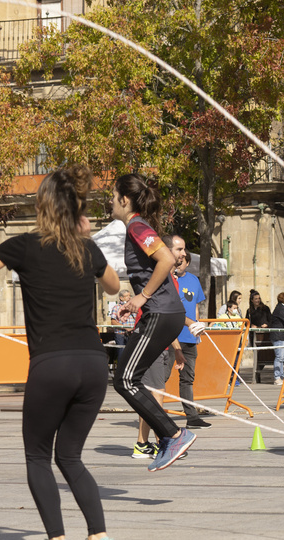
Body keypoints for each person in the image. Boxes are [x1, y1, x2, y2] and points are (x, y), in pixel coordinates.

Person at [0, 166, 121, 540]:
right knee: (71, 455)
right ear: (75, 209)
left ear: (42, 206)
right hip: (94, 363)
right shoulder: (87, 249)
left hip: (53, 363)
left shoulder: (25, 246)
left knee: (37, 455)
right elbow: (115, 286)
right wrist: (84, 238)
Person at [110, 173, 198, 472]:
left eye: (113, 196)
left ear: (124, 199)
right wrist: (134, 303)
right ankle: (167, 437)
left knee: (124, 379)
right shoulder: (137, 226)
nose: (110, 201)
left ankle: (173, 435)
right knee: (130, 379)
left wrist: (142, 297)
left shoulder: (136, 225)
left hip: (160, 312)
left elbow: (166, 260)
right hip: (162, 313)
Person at [166, 240, 211, 430]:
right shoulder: (168, 279)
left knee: (187, 379)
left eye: (184, 260)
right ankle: (155, 416)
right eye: (178, 258)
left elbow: (196, 309)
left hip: (189, 336)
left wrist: (198, 330)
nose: (181, 262)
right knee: (161, 378)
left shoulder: (193, 280)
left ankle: (192, 417)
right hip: (170, 336)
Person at [246, 290, 272, 383]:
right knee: (257, 355)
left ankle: (258, 372)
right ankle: (257, 375)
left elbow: (271, 320)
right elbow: (246, 322)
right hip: (255, 334)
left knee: (263, 354)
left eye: (259, 298)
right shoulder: (249, 311)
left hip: (264, 334)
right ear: (252, 300)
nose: (257, 300)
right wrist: (251, 325)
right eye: (255, 299)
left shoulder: (265, 308)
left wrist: (266, 324)